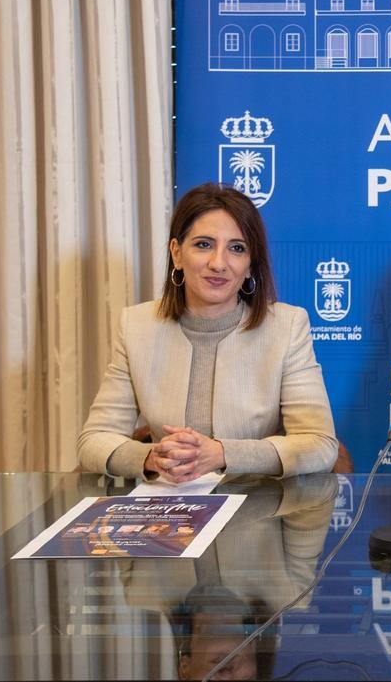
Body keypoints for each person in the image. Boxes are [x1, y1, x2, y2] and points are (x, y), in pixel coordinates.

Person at [77, 183, 340, 480]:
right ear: (177, 254)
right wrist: (151, 457)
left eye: (236, 248)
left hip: (257, 511)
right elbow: (94, 440)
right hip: (168, 510)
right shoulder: (137, 326)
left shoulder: (287, 326)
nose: (218, 263)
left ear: (250, 264)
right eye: (204, 245)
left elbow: (319, 444)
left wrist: (220, 454)